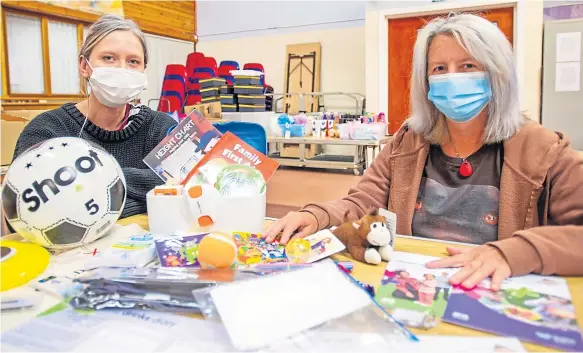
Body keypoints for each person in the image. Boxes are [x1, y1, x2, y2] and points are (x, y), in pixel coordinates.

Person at [266, 13, 583, 290]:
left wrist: (514, 253)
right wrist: (316, 215)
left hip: (493, 292)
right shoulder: (409, 141)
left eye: (468, 65)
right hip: (412, 287)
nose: (452, 77)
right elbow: (364, 201)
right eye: (440, 68)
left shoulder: (543, 148)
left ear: (497, 75)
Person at [12, 15, 176, 218]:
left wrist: (87, 185)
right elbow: (30, 211)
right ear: (84, 66)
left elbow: (190, 188)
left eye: (133, 61)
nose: (122, 69)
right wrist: (147, 196)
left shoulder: (162, 128)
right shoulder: (48, 131)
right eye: (109, 58)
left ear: (144, 71)